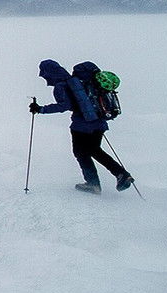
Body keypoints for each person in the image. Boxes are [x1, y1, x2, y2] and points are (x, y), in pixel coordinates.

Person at [30, 59, 134, 194]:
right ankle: (121, 175)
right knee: (95, 150)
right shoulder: (83, 81)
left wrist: (40, 109)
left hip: (82, 126)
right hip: (100, 122)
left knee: (81, 152)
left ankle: (94, 184)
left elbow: (64, 106)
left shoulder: (62, 85)